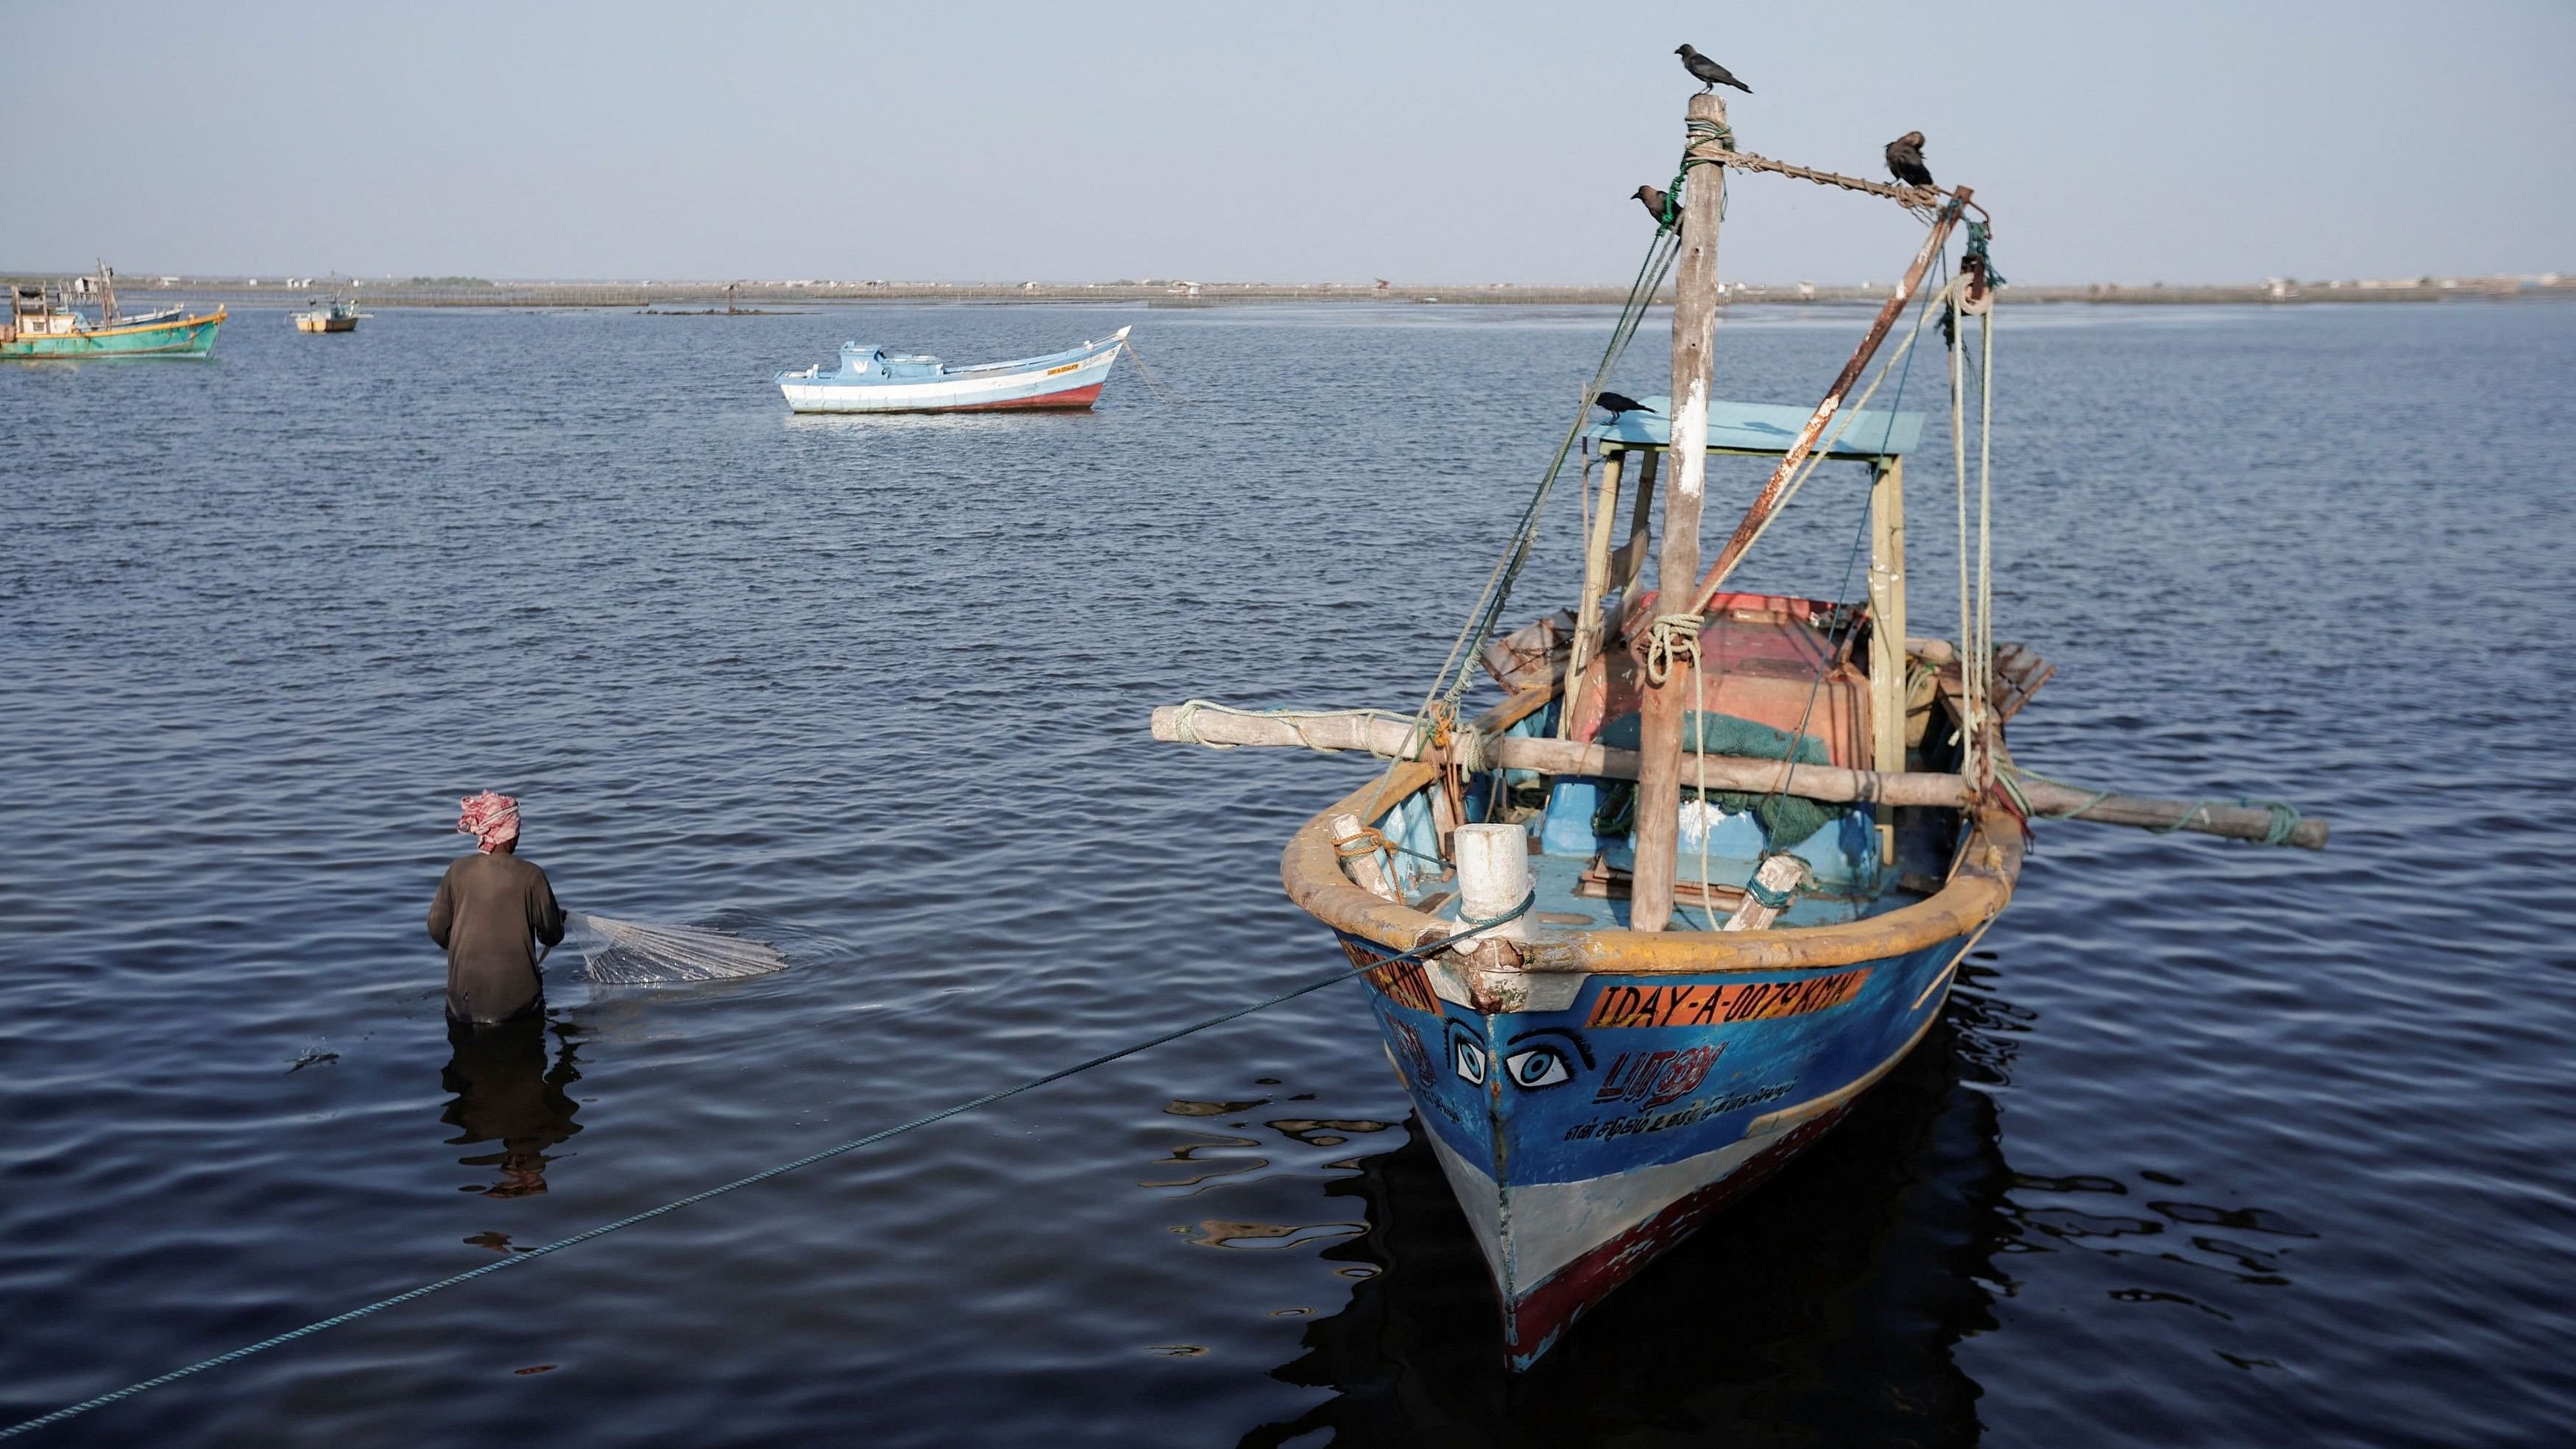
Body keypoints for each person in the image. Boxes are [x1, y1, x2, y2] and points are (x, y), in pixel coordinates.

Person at [428, 790, 565, 1024]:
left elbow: (437, 928)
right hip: (521, 1009)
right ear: (510, 835)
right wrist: (556, 919)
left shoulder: (457, 871)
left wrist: (468, 945)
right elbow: (551, 936)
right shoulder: (531, 875)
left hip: (463, 1007)